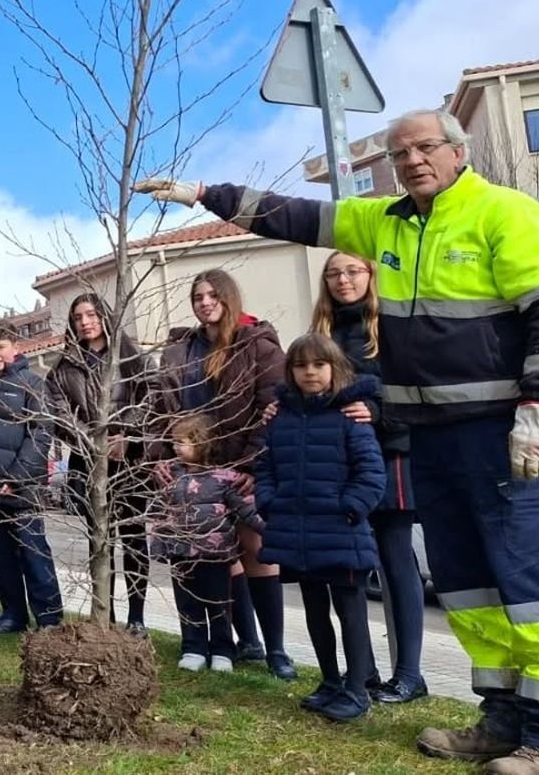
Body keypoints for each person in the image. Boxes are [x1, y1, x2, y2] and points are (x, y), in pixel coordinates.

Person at [138, 108, 539, 773]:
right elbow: (291, 215)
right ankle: (503, 718)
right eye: (399, 151)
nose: (412, 160)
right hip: (425, 437)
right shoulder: (380, 221)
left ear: (457, 152)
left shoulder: (507, 212)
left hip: (497, 429)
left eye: (425, 147)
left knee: (529, 583)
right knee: (467, 586)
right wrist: (206, 194)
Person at [151, 272, 291, 680]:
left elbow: (273, 403)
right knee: (213, 557)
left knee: (256, 550)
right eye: (198, 296)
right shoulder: (183, 348)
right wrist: (161, 457)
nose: (205, 302)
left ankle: (277, 649)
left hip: (239, 465)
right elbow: (162, 406)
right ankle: (242, 641)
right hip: (191, 468)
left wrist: (252, 462)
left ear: (229, 297)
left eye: (213, 295)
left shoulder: (257, 343)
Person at [310, 252, 427, 703]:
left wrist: (378, 412)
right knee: (353, 566)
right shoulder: (322, 332)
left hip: (391, 454)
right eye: (334, 273)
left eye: (352, 271)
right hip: (342, 461)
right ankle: (366, 672)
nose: (343, 280)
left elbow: (417, 388)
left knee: (397, 563)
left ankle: (410, 674)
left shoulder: (393, 325)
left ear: (370, 275)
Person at [256, 334, 385, 723]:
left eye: (318, 365)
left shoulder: (349, 415)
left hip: (342, 532)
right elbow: (265, 467)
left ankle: (358, 689)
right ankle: (329, 681)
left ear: (334, 369)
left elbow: (371, 472)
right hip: (297, 531)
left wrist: (351, 510)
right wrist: (269, 502)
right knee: (314, 608)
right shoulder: (280, 419)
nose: (309, 372)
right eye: (300, 366)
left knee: (351, 611)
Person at [45, 292, 153, 634]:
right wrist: (93, 442)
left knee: (134, 538)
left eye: (91, 314)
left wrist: (127, 434)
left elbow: (151, 396)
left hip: (128, 460)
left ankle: (137, 617)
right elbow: (59, 413)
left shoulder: (132, 356)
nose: (85, 322)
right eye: (78, 317)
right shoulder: (63, 368)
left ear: (104, 316)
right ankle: (103, 616)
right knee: (99, 541)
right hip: (88, 461)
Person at [0, 321, 64, 634]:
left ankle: (49, 618)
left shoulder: (31, 383)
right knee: (1, 555)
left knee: (33, 552)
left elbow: (41, 433)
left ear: (15, 348)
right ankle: (13, 615)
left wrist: (18, 477)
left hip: (21, 489)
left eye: (0, 347)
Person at [149, 414, 262, 675]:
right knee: (187, 603)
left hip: (216, 554)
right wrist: (158, 543)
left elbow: (244, 510)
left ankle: (223, 650)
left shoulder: (224, 479)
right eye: (174, 442)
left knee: (219, 603)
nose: (176, 447)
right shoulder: (169, 477)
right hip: (181, 553)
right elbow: (158, 511)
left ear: (203, 443)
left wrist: (269, 530)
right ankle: (193, 647)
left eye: (183, 442)